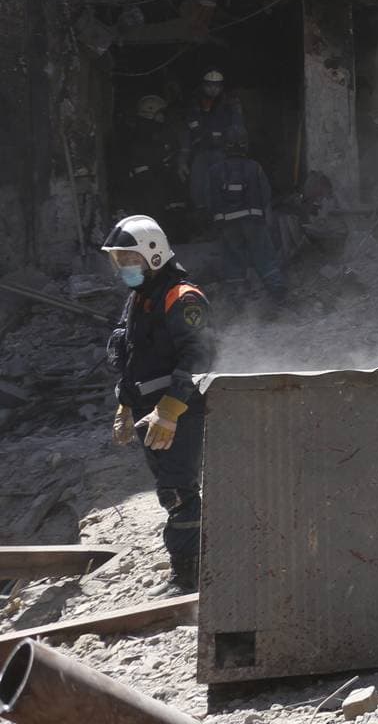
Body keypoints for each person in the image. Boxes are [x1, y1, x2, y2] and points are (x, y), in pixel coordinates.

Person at [102, 215, 211, 593]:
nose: (122, 268)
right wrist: (124, 405)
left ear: (152, 255)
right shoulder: (139, 297)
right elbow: (130, 355)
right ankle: (187, 572)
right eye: (118, 260)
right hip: (151, 412)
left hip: (177, 412)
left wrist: (169, 410)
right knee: (170, 491)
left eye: (128, 259)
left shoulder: (181, 297)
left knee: (179, 491)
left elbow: (198, 356)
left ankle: (188, 579)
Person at [197, 134, 286, 303]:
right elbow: (266, 194)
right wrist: (264, 216)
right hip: (254, 222)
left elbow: (208, 199)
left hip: (227, 225)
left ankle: (238, 298)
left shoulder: (215, 171)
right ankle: (277, 292)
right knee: (263, 255)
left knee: (232, 259)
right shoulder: (255, 167)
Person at [181, 70, 245, 214]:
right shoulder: (195, 106)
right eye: (209, 85)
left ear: (222, 87)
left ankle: (221, 218)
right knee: (198, 189)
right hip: (200, 153)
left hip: (222, 154)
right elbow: (187, 135)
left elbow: (238, 130)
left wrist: (236, 156)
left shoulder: (230, 106)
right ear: (203, 86)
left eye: (216, 86)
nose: (213, 89)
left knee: (221, 187)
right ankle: (203, 220)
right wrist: (182, 160)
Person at [125, 95, 187, 230]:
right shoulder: (141, 133)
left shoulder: (161, 130)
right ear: (150, 114)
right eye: (160, 113)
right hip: (148, 178)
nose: (163, 116)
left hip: (159, 174)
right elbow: (145, 157)